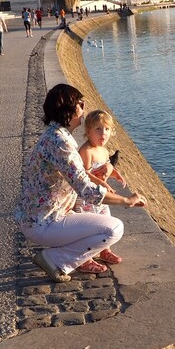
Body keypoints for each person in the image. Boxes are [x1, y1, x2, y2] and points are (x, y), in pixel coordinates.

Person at [15, 84, 147, 281]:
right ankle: (55, 259)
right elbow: (86, 189)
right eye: (81, 104)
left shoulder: (54, 135)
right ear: (69, 109)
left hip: (38, 217)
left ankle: (65, 256)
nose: (84, 108)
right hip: (45, 223)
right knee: (114, 228)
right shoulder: (61, 143)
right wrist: (126, 201)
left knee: (97, 223)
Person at [75, 110, 128, 266]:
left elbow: (105, 168)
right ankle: (85, 258)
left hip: (101, 198)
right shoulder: (87, 150)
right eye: (98, 129)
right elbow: (83, 174)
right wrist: (102, 183)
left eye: (106, 129)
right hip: (87, 198)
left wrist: (115, 174)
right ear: (88, 131)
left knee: (106, 222)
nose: (103, 133)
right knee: (89, 228)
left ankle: (105, 249)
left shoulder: (104, 150)